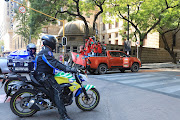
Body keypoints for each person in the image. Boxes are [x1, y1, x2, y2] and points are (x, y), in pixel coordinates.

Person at [34, 35, 76, 120]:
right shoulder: (46, 52)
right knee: (58, 90)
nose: (55, 44)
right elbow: (54, 63)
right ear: (51, 43)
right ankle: (63, 116)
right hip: (44, 76)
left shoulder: (45, 51)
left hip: (43, 74)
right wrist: (67, 68)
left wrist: (62, 69)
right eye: (54, 43)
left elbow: (52, 63)